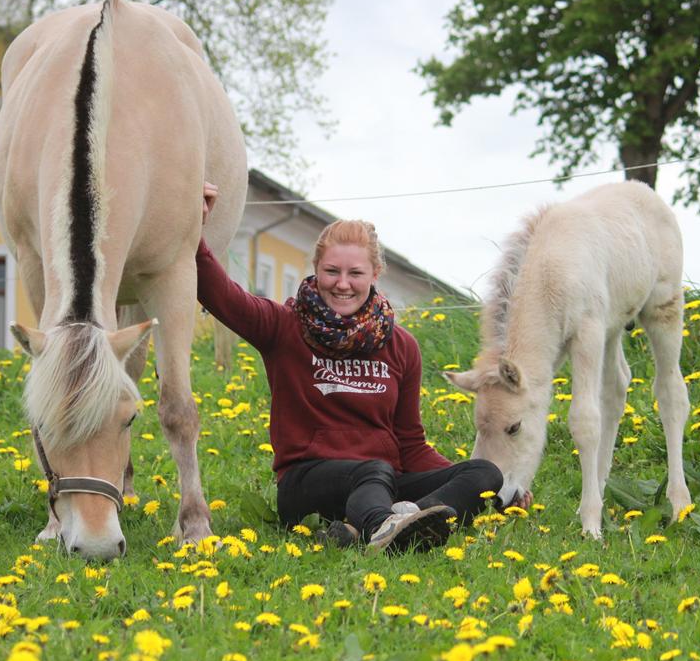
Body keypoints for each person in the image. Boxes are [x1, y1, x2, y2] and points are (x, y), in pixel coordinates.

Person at [197, 183, 506, 553]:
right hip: (307, 485)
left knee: (485, 474)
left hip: (387, 480)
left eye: (355, 274)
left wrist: (476, 488)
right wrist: (193, 226)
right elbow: (220, 296)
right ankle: (384, 528)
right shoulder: (284, 326)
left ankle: (380, 527)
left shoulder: (401, 345)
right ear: (316, 270)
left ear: (375, 274)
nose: (342, 284)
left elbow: (410, 443)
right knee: (372, 470)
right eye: (332, 271)